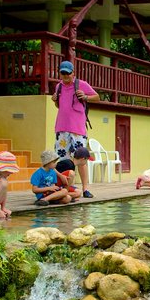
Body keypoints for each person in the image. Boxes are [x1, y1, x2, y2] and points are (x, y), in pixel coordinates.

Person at [52, 60, 99, 198]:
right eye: (63, 73)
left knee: (81, 159)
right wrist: (55, 100)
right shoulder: (58, 87)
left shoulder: (81, 84)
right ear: (60, 73)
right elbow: (59, 107)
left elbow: (97, 97)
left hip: (77, 128)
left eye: (68, 73)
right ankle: (66, 187)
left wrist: (85, 97)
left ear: (73, 73)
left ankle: (85, 189)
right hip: (61, 128)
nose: (66, 76)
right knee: (63, 160)